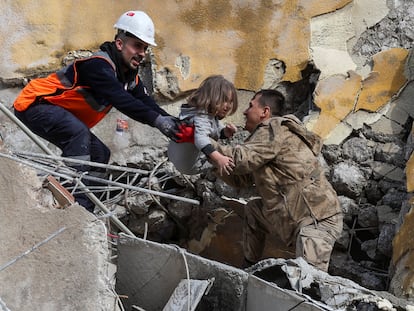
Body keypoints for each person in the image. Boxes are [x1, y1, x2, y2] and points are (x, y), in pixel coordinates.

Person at [13, 10, 183, 212]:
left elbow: (146, 102)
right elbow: (120, 99)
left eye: (145, 48)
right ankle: (68, 205)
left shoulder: (129, 77)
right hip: (34, 104)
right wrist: (157, 121)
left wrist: (173, 122)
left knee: (100, 154)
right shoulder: (98, 65)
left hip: (55, 112)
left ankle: (84, 211)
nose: (142, 53)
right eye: (137, 45)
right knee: (78, 134)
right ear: (120, 44)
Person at [211, 89, 343, 272]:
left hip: (316, 219)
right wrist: (212, 158)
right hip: (295, 218)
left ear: (265, 112)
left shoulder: (274, 128)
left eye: (250, 106)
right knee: (254, 209)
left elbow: (241, 160)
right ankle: (249, 269)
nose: (244, 111)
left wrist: (206, 144)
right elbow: (240, 179)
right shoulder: (263, 140)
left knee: (308, 285)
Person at [168, 75, 238, 176]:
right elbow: (201, 139)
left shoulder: (206, 114)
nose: (228, 106)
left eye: (230, 102)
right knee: (232, 161)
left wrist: (225, 132)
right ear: (212, 98)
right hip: (192, 166)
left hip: (175, 157)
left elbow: (214, 128)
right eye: (225, 100)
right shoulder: (200, 116)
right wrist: (219, 159)